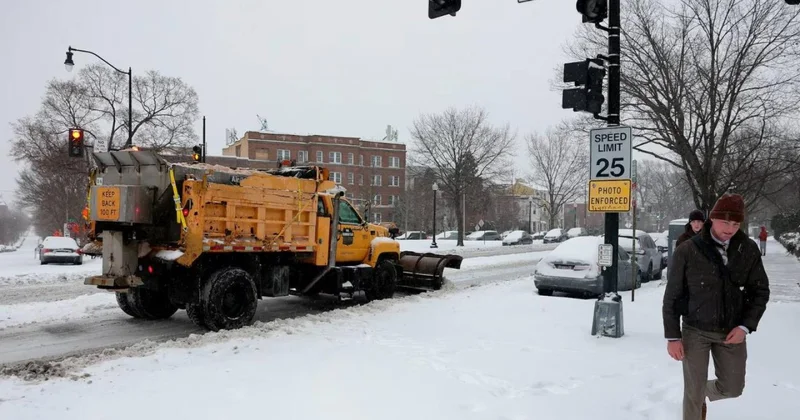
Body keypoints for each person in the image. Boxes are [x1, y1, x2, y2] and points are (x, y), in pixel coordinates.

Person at [662, 193, 770, 420]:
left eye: (735, 223)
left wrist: (745, 326)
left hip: (731, 331)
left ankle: (701, 393)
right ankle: (696, 397)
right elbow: (672, 295)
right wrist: (673, 336)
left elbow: (759, 291)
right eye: (725, 222)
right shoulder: (688, 249)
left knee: (732, 387)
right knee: (692, 392)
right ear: (712, 219)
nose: (730, 228)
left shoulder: (747, 249)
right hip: (695, 330)